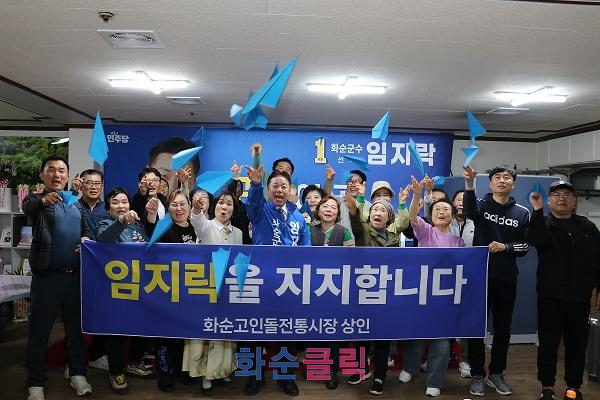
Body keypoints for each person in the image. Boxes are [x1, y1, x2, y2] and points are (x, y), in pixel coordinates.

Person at [23, 155, 93, 400]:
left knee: (75, 332)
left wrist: (85, 238)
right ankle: (35, 383)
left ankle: (77, 373)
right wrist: (44, 200)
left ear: (67, 175)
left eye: (61, 170)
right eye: (51, 170)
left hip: (74, 278)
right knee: (39, 333)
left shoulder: (75, 202)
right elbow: (30, 208)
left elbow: (86, 227)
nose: (57, 174)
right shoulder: (35, 200)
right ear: (42, 175)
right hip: (47, 279)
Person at [527, 181, 600, 400]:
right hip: (550, 296)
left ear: (574, 201)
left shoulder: (587, 227)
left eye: (567, 194)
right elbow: (534, 239)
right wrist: (537, 210)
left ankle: (573, 388)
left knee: (577, 346)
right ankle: (547, 388)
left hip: (580, 297)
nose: (562, 198)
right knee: (548, 345)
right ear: (549, 200)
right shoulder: (544, 223)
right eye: (556, 195)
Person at [463, 164, 530, 397]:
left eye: (507, 177)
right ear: (490, 183)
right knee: (476, 328)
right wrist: (469, 183)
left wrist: (505, 247)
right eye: (497, 177)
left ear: (514, 183)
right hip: (479, 276)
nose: (502, 180)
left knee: (503, 328)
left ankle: (497, 373)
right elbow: (469, 211)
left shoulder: (522, 212)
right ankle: (477, 375)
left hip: (506, 278)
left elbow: (525, 246)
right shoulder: (481, 205)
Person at [243, 166, 310, 397]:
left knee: (286, 333)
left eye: (284, 186)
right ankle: (254, 376)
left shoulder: (298, 217)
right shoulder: (260, 210)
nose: (279, 190)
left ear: (290, 190)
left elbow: (307, 249)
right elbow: (252, 203)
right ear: (268, 190)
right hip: (260, 281)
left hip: (288, 284)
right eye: (275, 186)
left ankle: (285, 377)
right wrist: (255, 185)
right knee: (256, 333)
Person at [398, 176, 465, 397]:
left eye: (446, 209)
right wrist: (418, 194)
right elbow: (412, 216)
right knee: (416, 335)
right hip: (421, 292)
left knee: (442, 340)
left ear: (452, 215)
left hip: (445, 297)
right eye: (437, 209)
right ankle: (410, 367)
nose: (441, 212)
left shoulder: (458, 242)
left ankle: (435, 380)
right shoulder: (426, 230)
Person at [184, 191, 242, 396]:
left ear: (234, 209)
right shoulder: (206, 226)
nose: (224, 207)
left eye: (229, 204)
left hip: (229, 290)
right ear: (215, 206)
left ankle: (224, 371)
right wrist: (197, 208)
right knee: (208, 333)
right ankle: (206, 376)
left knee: (226, 332)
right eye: (221, 203)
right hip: (206, 289)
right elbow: (196, 221)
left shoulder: (238, 233)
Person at [96, 187, 153, 394]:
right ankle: (116, 372)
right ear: (108, 208)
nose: (121, 206)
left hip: (141, 288)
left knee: (141, 328)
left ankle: (134, 363)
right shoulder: (104, 225)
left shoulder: (138, 226)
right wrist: (120, 222)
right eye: (115, 202)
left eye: (124, 202)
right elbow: (104, 239)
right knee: (118, 333)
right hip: (117, 290)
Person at [347, 189, 399, 396]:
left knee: (382, 337)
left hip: (385, 293)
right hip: (363, 291)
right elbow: (357, 226)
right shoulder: (364, 231)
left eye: (383, 210)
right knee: (362, 334)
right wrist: (353, 211)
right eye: (374, 209)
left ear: (389, 217)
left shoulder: (395, 238)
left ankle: (380, 376)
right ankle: (361, 369)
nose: (377, 213)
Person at [146, 189, 198, 392]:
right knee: (165, 335)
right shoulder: (163, 226)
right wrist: (151, 214)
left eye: (182, 204)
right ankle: (165, 373)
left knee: (182, 333)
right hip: (166, 290)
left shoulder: (195, 228)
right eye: (174, 205)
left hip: (189, 291)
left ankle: (179, 370)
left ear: (189, 206)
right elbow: (150, 229)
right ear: (168, 208)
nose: (179, 208)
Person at [308, 195, 354, 390]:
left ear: (338, 213)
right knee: (314, 329)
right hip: (311, 288)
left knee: (333, 331)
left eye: (333, 207)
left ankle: (332, 371)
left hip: (336, 289)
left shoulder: (344, 232)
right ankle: (317, 367)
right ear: (318, 210)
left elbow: (352, 260)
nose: (328, 209)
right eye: (325, 206)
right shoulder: (308, 230)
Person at [70, 169, 110, 373]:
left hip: (103, 270)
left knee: (102, 313)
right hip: (76, 267)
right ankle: (72, 360)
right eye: (89, 183)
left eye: (97, 183)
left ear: (102, 186)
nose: (93, 187)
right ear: (81, 184)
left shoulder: (108, 209)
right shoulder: (72, 206)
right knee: (74, 315)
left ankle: (97, 354)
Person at [323, 165, 370, 232]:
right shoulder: (339, 202)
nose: (353, 185)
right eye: (350, 181)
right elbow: (326, 196)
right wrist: (329, 181)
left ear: (363, 184)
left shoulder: (369, 207)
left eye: (356, 182)